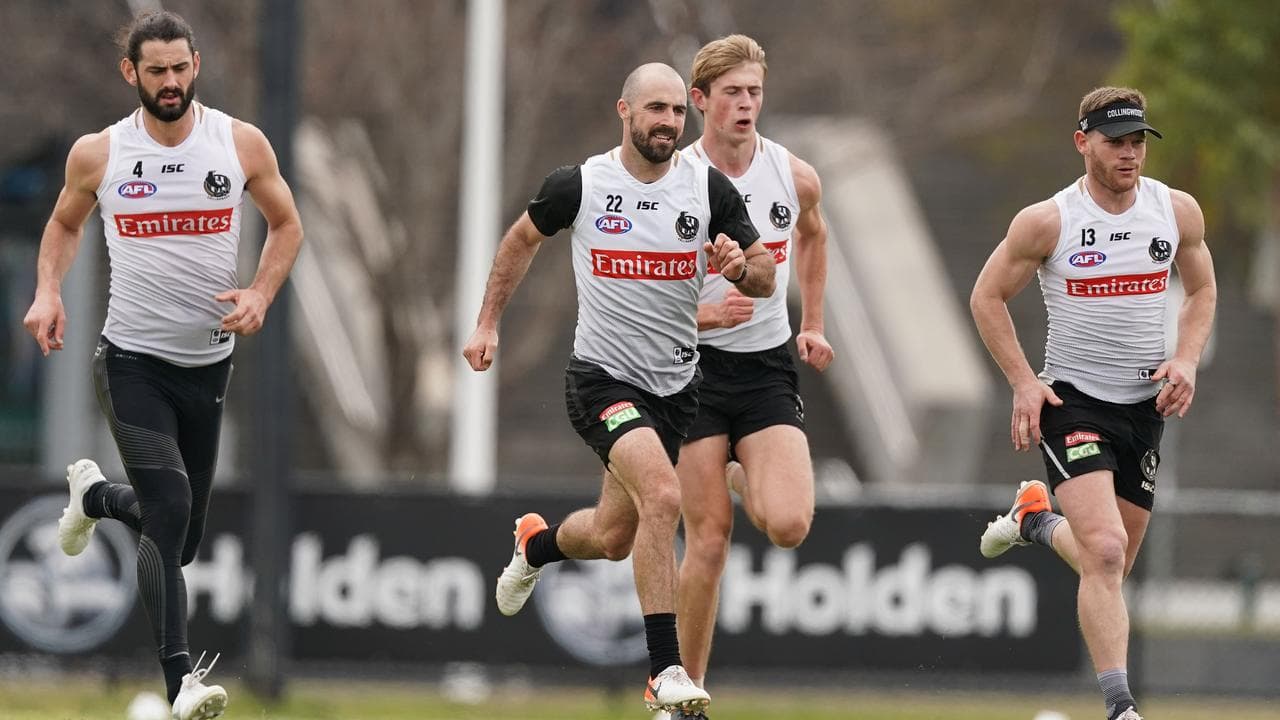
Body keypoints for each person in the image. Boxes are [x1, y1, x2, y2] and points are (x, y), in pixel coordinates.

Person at [461, 62, 774, 716]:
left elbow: (767, 275)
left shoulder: (706, 188)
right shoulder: (582, 184)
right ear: (624, 112)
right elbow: (520, 240)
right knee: (664, 494)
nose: (667, 122)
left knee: (611, 537)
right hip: (601, 381)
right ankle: (664, 674)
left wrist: (743, 268)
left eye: (675, 113)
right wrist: (488, 322)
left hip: (676, 393)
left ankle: (535, 545)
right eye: (654, 109)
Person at [21, 11, 303, 720]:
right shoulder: (100, 153)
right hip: (131, 364)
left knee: (178, 538)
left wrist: (262, 292)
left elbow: (288, 222)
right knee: (169, 510)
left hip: (207, 370)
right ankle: (181, 685)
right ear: (131, 74)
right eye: (156, 71)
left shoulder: (238, 143)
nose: (170, 82)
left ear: (195, 65)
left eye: (181, 68)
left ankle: (94, 499)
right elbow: (62, 223)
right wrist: (48, 291)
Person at [970, 86, 1216, 720]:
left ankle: (1036, 521)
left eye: (1138, 141)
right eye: (1116, 141)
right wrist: (1025, 381)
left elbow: (1202, 289)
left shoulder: (1175, 211)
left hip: (1145, 410)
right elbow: (986, 298)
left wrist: (1184, 358)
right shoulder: (1048, 221)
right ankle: (1121, 708)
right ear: (1083, 143)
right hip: (1073, 401)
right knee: (1104, 551)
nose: (1130, 153)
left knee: (1109, 564)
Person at [660, 35, 834, 720]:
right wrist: (702, 315)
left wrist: (813, 321)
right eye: (732, 92)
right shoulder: (670, 178)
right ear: (699, 100)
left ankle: (739, 468)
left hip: (765, 370)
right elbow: (638, 292)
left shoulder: (793, 175)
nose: (746, 105)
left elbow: (816, 236)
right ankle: (685, 698)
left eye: (754, 92)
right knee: (709, 538)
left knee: (789, 524)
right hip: (690, 368)